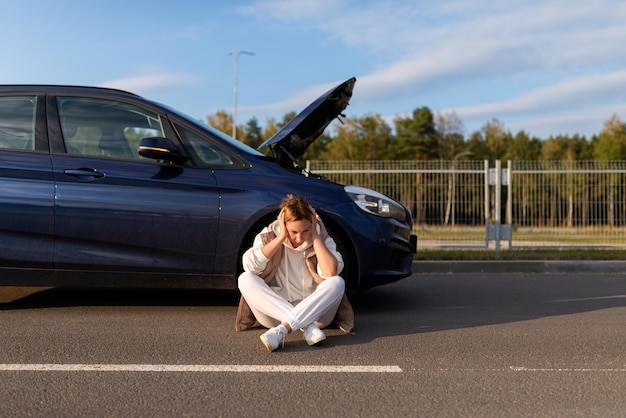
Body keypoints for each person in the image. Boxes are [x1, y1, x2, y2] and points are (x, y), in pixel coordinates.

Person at [236, 194, 354, 352]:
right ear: (283, 225)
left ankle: (282, 331)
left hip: (316, 315)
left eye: (306, 230)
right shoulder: (269, 236)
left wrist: (316, 236)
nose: (300, 238)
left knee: (337, 282)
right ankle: (306, 327)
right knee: (245, 278)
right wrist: (281, 238)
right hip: (275, 314)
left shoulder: (322, 238)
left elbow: (330, 272)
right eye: (293, 232)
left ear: (312, 224)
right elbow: (250, 266)